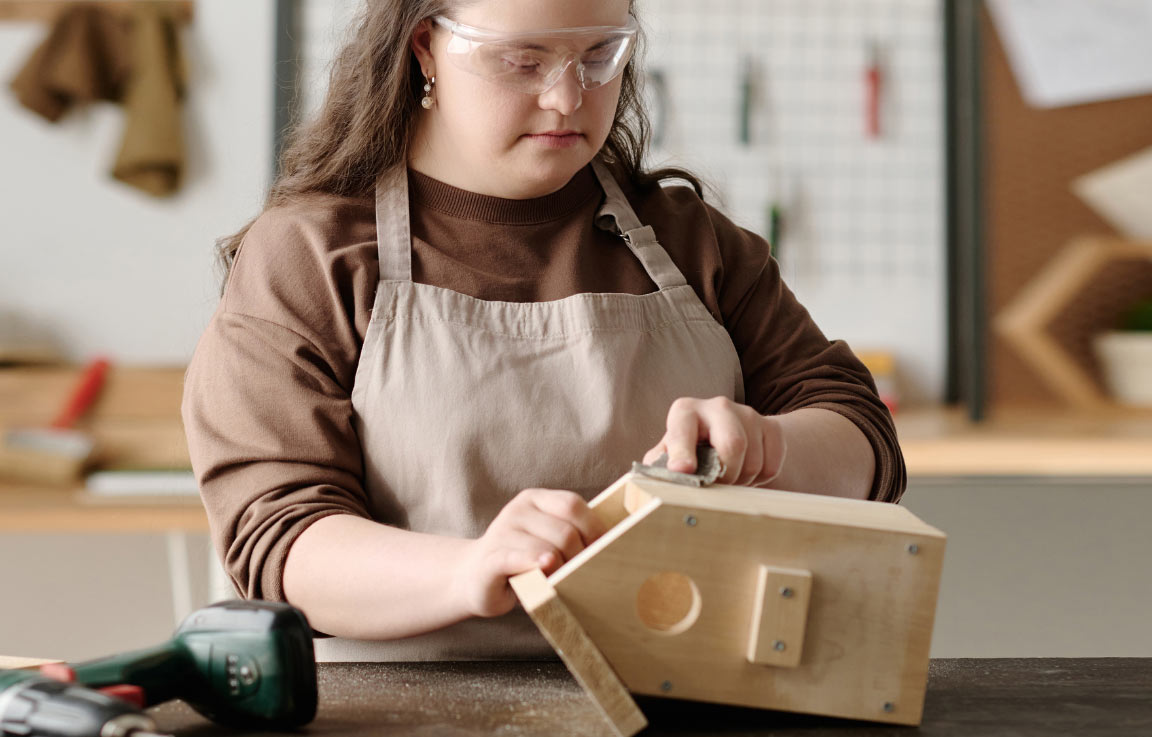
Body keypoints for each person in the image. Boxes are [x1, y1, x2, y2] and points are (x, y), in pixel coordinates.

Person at [181, 0, 905, 662]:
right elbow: (278, 540)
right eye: (521, 61)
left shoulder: (692, 244)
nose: (567, 98)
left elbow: (865, 447)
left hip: (688, 697)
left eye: (598, 58)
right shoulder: (310, 257)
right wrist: (468, 570)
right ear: (426, 47)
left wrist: (772, 446)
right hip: (403, 708)